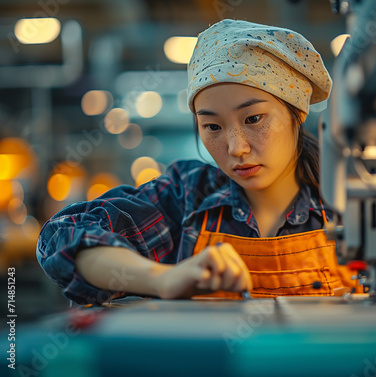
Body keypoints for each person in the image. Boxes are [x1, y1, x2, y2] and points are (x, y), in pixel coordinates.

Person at [36, 19, 358, 306]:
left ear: (297, 112)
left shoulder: (349, 199)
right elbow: (62, 235)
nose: (236, 148)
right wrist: (162, 279)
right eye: (213, 127)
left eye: (254, 118)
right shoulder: (186, 199)